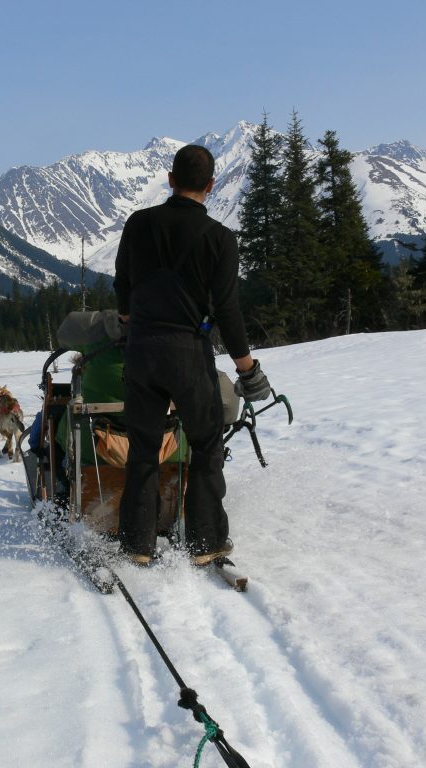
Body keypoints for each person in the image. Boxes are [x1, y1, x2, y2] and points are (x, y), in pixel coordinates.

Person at [113, 144, 271, 566]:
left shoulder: (138, 224)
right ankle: (207, 543)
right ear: (212, 185)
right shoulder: (220, 238)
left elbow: (122, 286)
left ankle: (137, 544)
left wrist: (131, 323)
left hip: (143, 350)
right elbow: (227, 310)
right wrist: (246, 366)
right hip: (189, 353)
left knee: (144, 447)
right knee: (205, 443)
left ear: (170, 180)